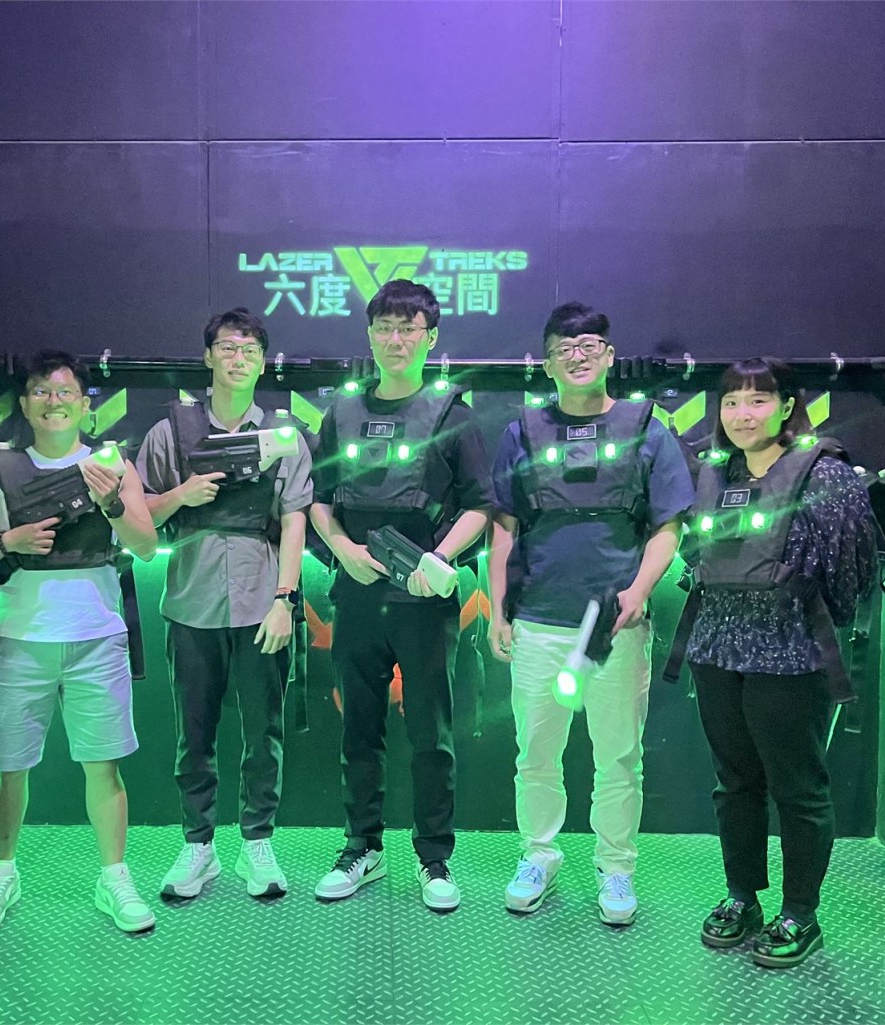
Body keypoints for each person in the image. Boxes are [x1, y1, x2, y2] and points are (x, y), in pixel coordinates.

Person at [488, 301, 694, 926]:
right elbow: (504, 527)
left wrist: (639, 590)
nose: (576, 357)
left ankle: (616, 867)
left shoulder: (647, 428)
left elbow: (668, 527)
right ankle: (538, 856)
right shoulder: (522, 431)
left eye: (588, 346)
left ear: (608, 355)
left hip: (615, 624)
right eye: (564, 349)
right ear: (547, 364)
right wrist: (498, 611)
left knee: (618, 757)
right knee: (535, 754)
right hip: (538, 619)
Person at [682, 357, 876, 968]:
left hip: (791, 653)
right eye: (731, 402)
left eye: (758, 400)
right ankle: (742, 897)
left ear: (788, 406)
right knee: (735, 782)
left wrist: (804, 615)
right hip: (715, 649)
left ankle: (800, 913)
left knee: (798, 788)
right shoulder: (713, 472)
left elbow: (852, 569)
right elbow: (695, 552)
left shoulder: (826, 475)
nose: (743, 414)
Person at [310, 279, 492, 912]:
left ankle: (434, 858)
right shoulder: (340, 413)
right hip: (357, 591)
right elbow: (319, 500)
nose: (396, 339)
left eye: (408, 328)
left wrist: (440, 559)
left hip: (424, 595)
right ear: (369, 335)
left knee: (430, 734)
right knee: (358, 729)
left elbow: (481, 505)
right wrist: (342, 550)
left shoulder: (453, 415)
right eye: (385, 327)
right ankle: (362, 847)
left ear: (430, 337)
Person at [0, 351, 158, 935]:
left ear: (84, 403)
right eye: (42, 392)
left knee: (105, 766)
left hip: (97, 636)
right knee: (9, 766)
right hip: (18, 637)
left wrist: (111, 502)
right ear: (24, 404)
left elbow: (146, 545)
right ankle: (1, 873)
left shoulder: (111, 463)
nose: (54, 402)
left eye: (65, 392)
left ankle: (114, 876)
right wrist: (10, 541)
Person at [135, 308, 312, 900]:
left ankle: (257, 841)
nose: (238, 358)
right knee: (194, 732)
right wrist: (181, 494)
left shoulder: (283, 435)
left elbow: (295, 520)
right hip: (191, 602)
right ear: (208, 355)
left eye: (250, 350)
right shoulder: (170, 433)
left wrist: (286, 598)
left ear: (263, 363)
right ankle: (198, 845)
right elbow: (137, 515)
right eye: (228, 347)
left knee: (264, 732)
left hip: (264, 603)